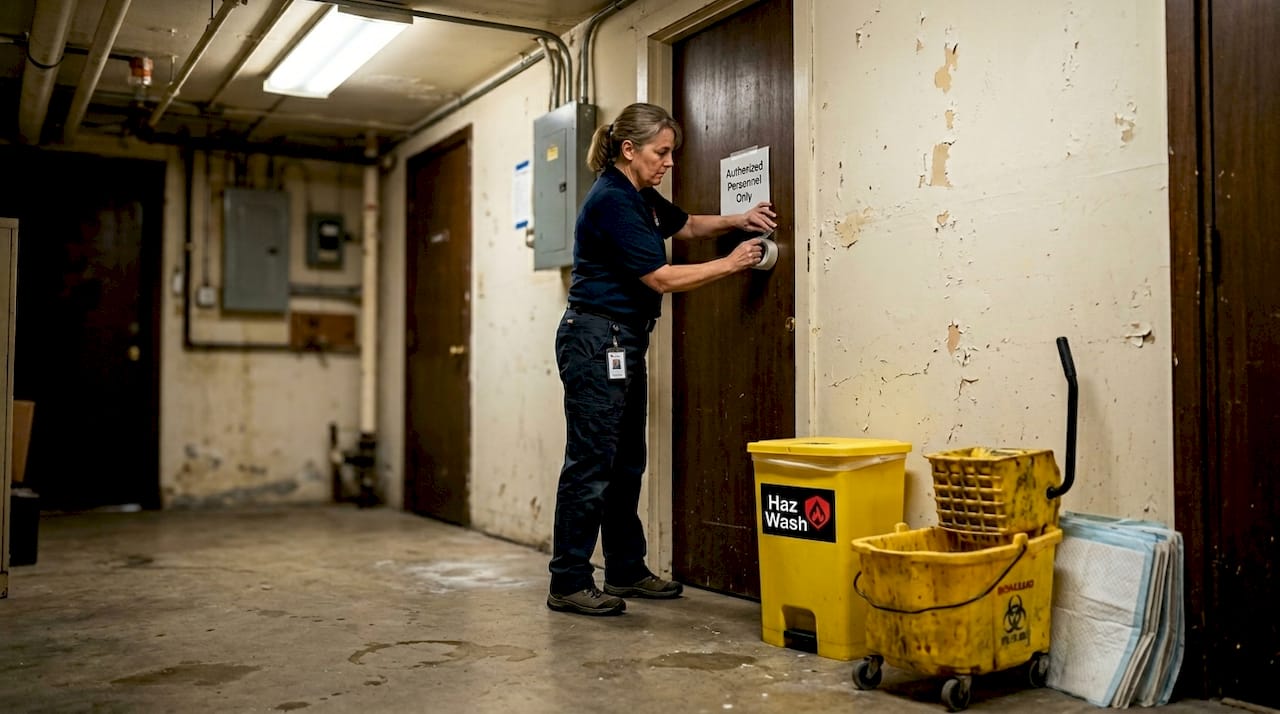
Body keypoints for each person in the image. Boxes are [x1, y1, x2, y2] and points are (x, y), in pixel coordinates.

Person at [547, 102, 778, 616]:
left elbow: (688, 225)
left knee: (626, 461)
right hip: (595, 339)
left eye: (671, 152)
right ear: (629, 150)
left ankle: (626, 569)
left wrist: (737, 219)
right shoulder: (611, 200)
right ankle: (568, 580)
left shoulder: (642, 198)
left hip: (623, 340)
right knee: (590, 463)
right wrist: (733, 262)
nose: (669, 162)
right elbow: (661, 278)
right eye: (662, 152)